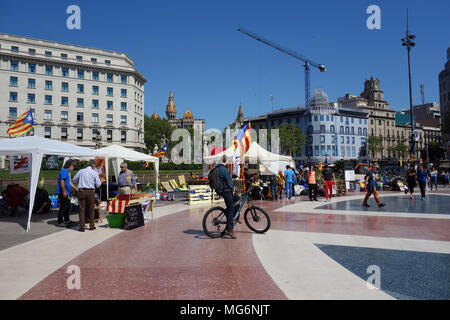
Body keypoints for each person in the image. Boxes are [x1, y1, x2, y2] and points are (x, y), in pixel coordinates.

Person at [73, 160, 102, 232]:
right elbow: (98, 185)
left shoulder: (81, 171)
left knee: (81, 209)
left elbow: (74, 180)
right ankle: (91, 226)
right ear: (93, 166)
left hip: (81, 191)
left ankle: (82, 227)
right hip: (90, 191)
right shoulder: (94, 173)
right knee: (91, 209)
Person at [215, 156, 237, 239]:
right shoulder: (224, 169)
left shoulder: (217, 168)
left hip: (220, 190)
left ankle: (235, 217)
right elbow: (229, 181)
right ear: (226, 161)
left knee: (237, 198)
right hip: (225, 191)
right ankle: (229, 229)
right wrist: (232, 189)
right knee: (231, 209)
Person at [56, 160, 78, 225]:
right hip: (63, 192)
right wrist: (64, 192)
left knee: (67, 206)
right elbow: (62, 182)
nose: (73, 167)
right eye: (73, 165)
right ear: (69, 165)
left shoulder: (67, 172)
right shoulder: (64, 171)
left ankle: (67, 219)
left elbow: (69, 182)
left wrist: (75, 188)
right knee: (63, 207)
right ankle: (60, 221)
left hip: (67, 192)